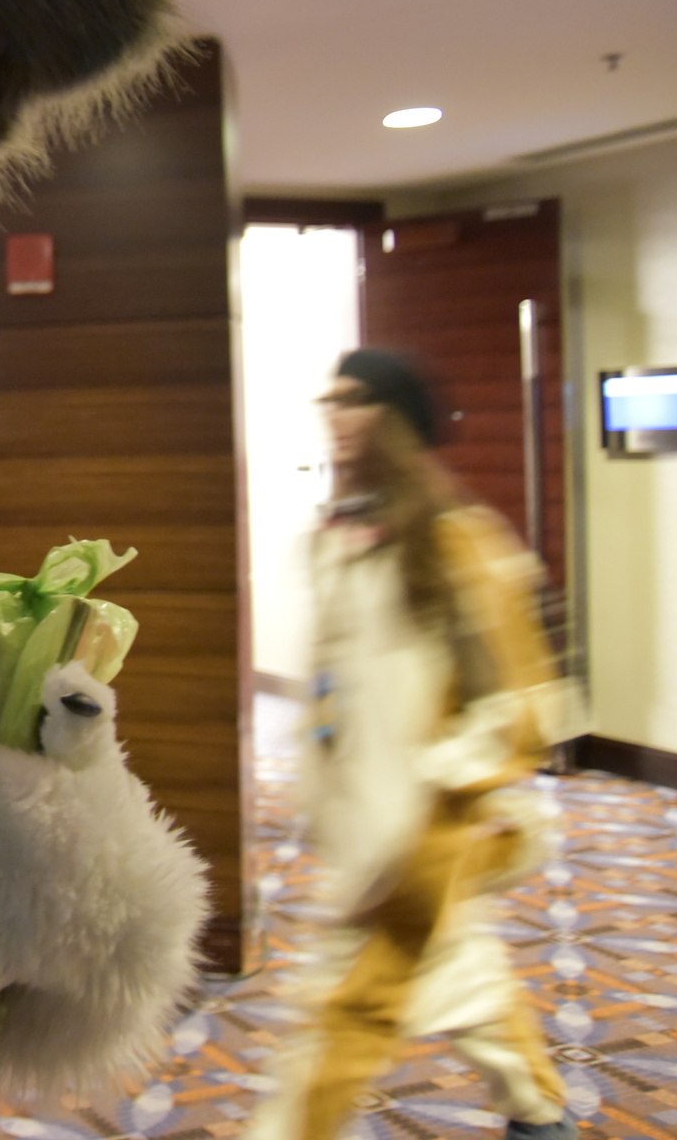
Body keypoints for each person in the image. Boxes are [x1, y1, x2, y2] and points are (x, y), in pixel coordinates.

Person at [248, 348, 574, 1140]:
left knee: (348, 1012)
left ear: (394, 420)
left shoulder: (457, 541)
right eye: (329, 400)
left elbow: (527, 704)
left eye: (355, 400)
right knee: (459, 972)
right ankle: (539, 1114)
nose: (335, 415)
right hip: (359, 823)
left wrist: (442, 787)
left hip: (422, 832)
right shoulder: (333, 539)